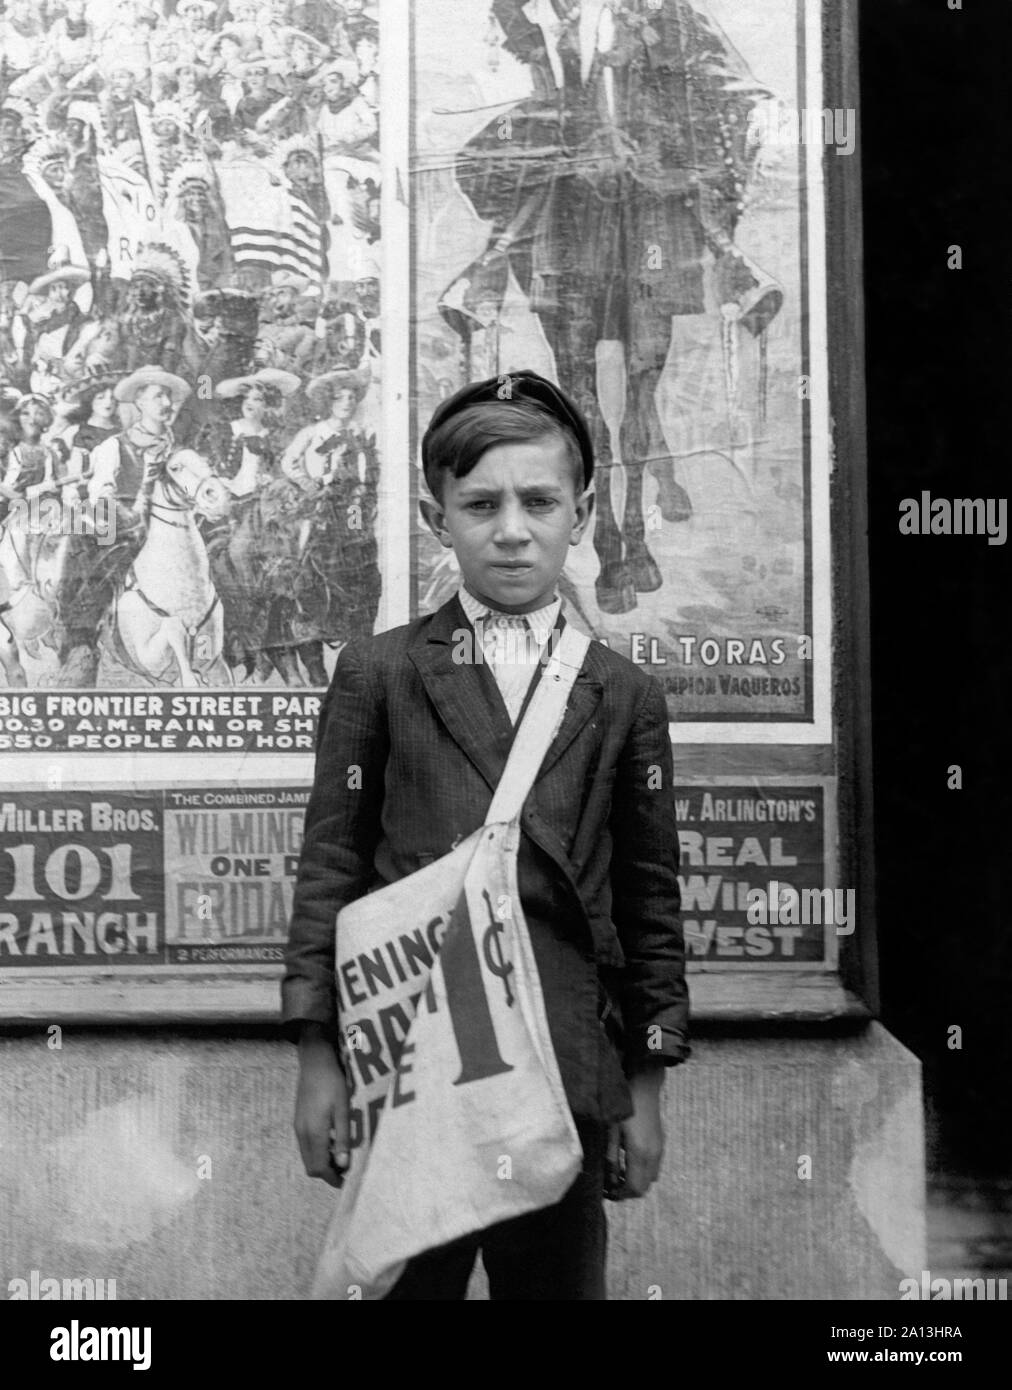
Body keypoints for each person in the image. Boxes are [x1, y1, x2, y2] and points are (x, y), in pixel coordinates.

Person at [283, 370, 688, 1301]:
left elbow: (649, 897)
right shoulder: (379, 673)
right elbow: (331, 867)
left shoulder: (621, 694)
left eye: (539, 501)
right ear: (439, 520)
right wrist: (318, 1062)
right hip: (415, 1064)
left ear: (582, 514)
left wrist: (647, 1086)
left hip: (561, 1073)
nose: (512, 529)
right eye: (482, 504)